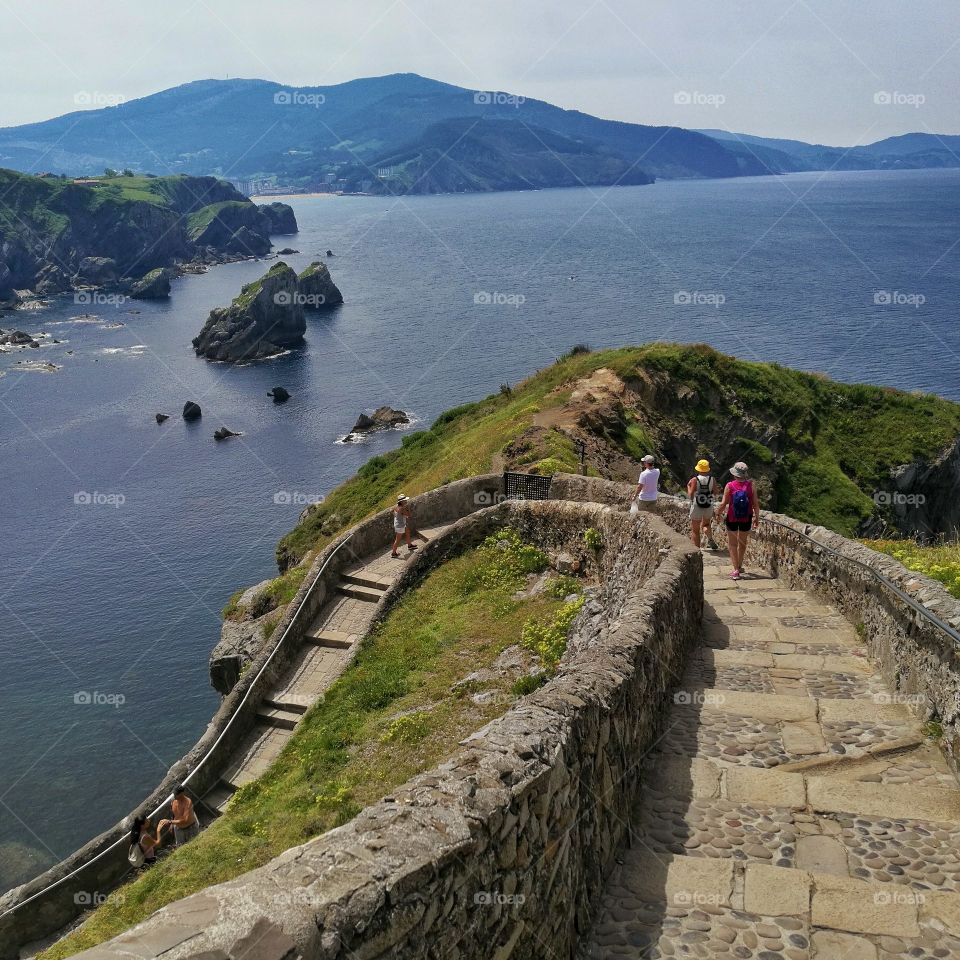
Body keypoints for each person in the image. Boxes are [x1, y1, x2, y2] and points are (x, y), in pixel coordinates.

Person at [716, 461, 760, 580]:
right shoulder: (751, 485)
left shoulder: (729, 485)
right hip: (747, 517)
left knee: (733, 544)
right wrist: (757, 518)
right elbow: (755, 504)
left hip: (732, 517)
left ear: (734, 473)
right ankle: (739, 565)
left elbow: (724, 503)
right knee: (742, 543)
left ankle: (735, 570)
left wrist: (717, 513)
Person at [686, 459, 719, 549]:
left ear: (698, 469)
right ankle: (710, 539)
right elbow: (716, 492)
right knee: (706, 524)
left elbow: (691, 493)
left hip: (697, 504)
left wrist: (688, 487)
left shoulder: (694, 479)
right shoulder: (712, 479)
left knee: (695, 530)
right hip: (708, 504)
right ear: (707, 469)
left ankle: (697, 551)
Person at [390, 494, 418, 558]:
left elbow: (392, 510)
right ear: (401, 502)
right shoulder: (402, 508)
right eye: (404, 500)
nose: (406, 501)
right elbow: (409, 515)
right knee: (397, 540)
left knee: (407, 532)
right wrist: (408, 508)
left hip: (399, 524)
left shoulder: (397, 506)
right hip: (400, 525)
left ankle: (409, 545)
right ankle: (393, 553)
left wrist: (396, 516)